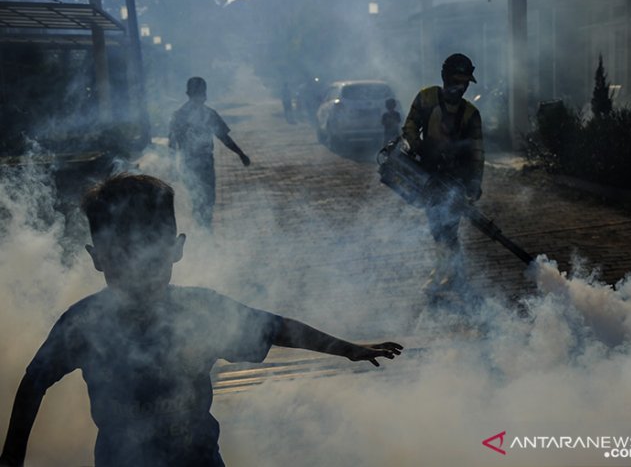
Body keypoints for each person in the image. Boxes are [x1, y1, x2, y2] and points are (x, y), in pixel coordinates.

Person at [0, 173, 402, 467]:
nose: (138, 271)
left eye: (149, 255)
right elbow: (33, 383)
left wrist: (347, 348)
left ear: (177, 250)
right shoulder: (84, 324)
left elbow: (276, 327)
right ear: (97, 257)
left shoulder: (199, 311)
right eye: (123, 256)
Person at [401, 53, 484, 296]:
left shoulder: (470, 114)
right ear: (445, 78)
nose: (461, 87)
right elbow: (409, 127)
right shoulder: (426, 98)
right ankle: (450, 272)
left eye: (465, 82)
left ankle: (448, 273)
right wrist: (418, 147)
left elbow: (477, 153)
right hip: (427, 176)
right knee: (437, 228)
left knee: (447, 229)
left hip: (454, 181)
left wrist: (474, 183)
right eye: (457, 81)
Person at [169, 77, 251, 228]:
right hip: (190, 164)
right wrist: (172, 166)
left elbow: (223, 137)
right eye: (198, 92)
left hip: (206, 163)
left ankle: (205, 231)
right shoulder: (179, 116)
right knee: (198, 200)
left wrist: (240, 154)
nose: (201, 95)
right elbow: (172, 144)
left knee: (208, 200)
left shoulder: (209, 114)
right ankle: (203, 233)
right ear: (190, 93)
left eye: (202, 92)